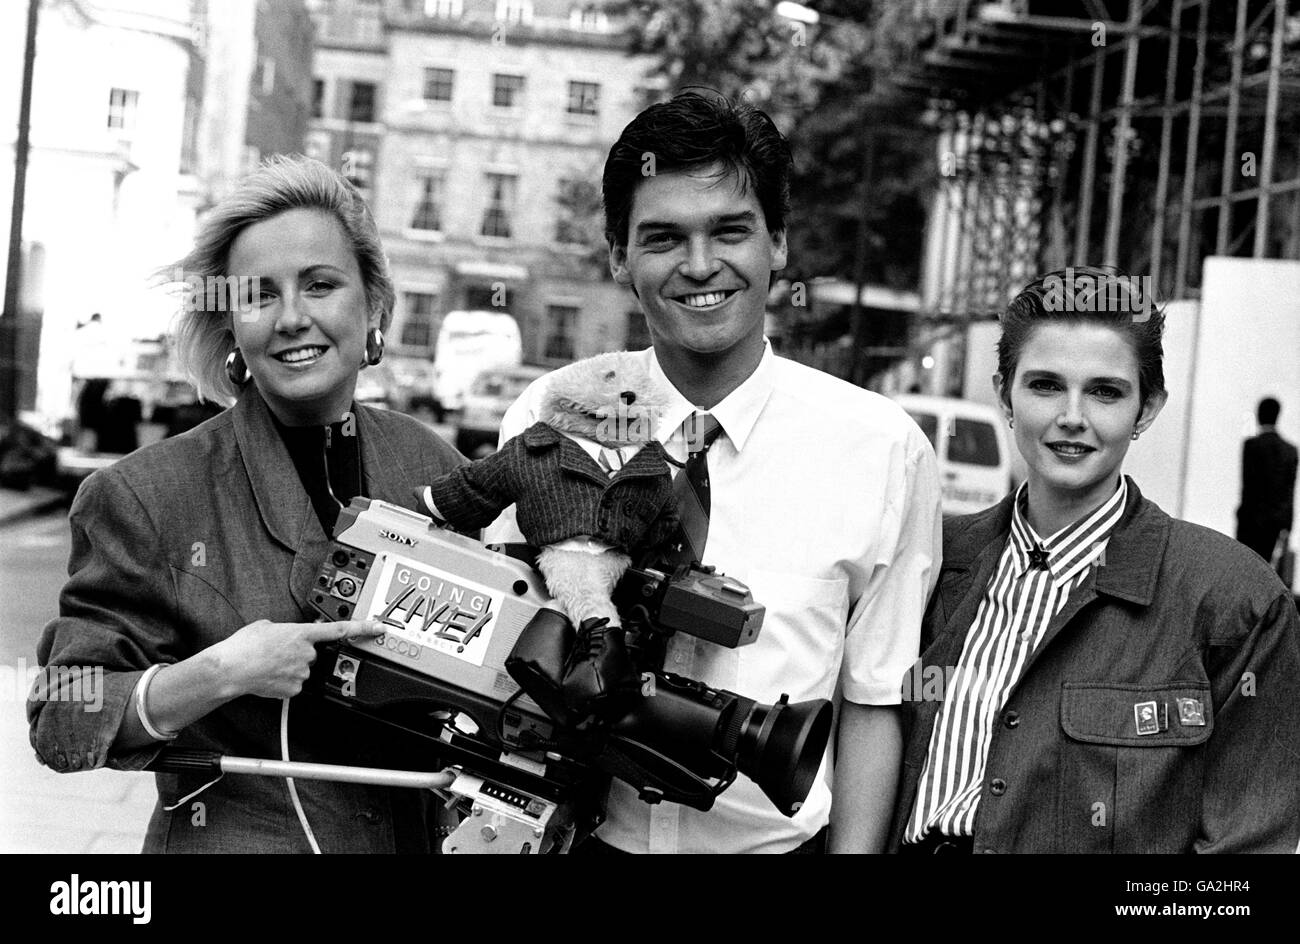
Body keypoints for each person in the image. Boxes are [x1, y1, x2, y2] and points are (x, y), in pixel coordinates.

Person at [485, 91, 943, 853]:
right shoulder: (554, 415)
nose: (700, 267)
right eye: (663, 238)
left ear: (779, 243)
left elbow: (872, 699)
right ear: (618, 256)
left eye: (730, 232)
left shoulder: (883, 449)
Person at [28, 156, 464, 853]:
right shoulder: (144, 495)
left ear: (373, 305)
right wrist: (221, 673)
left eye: (320, 285)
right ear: (231, 324)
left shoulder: (432, 467)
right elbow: (62, 719)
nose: (292, 318)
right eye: (260, 295)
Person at [889, 266, 1300, 854]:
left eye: (1105, 391)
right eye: (1045, 385)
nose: (1072, 416)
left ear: (1148, 407)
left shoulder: (1235, 603)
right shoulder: (929, 561)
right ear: (1005, 393)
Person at [1236, 396, 1297, 567]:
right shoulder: (1290, 450)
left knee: (1245, 568)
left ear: (1259, 414)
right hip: (1275, 523)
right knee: (1268, 570)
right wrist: (1287, 526)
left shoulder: (1251, 446)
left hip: (1251, 521)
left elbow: (1247, 487)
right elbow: (1289, 491)